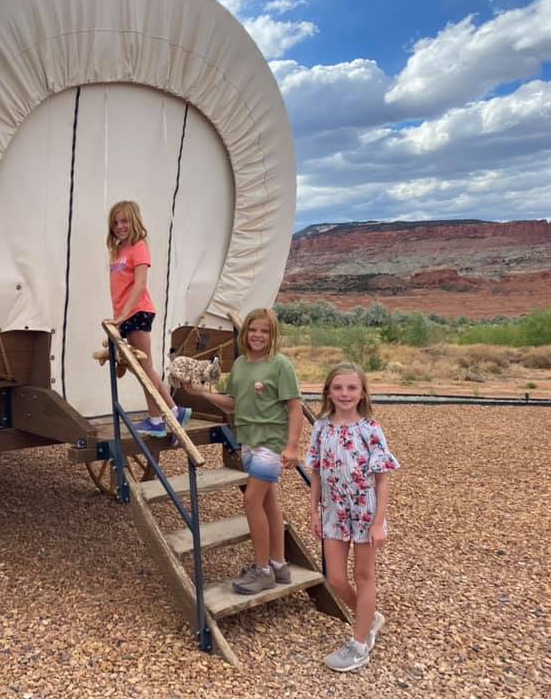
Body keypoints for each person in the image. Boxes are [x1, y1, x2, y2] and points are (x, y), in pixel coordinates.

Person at [182, 308, 302, 594]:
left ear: (273, 335)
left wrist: (293, 446)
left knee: (250, 501)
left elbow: (295, 406)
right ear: (245, 333)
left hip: (271, 442)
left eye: (265, 331)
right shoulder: (240, 365)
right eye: (253, 330)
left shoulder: (280, 365)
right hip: (247, 440)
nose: (258, 335)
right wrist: (201, 394)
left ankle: (262, 571)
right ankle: (278, 564)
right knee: (268, 501)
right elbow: (235, 403)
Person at [306, 362, 400, 672]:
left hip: (365, 512)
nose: (344, 393)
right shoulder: (321, 427)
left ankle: (360, 644)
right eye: (338, 388)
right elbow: (317, 472)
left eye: (351, 388)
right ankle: (369, 616)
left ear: (361, 393)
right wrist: (314, 511)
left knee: (364, 575)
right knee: (334, 577)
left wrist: (378, 523)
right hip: (334, 511)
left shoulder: (370, 429)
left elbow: (383, 478)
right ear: (328, 392)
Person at [106, 200, 191, 437]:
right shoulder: (118, 250)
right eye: (115, 222)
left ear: (134, 221)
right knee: (139, 368)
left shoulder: (139, 246)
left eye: (124, 221)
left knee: (144, 367)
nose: (120, 226)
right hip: (125, 315)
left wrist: (123, 315)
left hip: (138, 312)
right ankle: (172, 411)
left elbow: (140, 284)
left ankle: (161, 417)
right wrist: (119, 316)